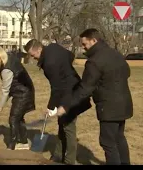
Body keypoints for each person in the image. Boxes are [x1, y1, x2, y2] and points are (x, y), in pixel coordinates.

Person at [56, 28, 133, 165]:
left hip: (109, 107)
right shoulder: (114, 53)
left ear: (94, 40)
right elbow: (127, 72)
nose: (83, 47)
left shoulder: (94, 61)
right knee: (119, 137)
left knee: (108, 142)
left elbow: (84, 89)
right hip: (124, 103)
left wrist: (66, 107)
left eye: (85, 44)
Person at [24, 39, 91, 164]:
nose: (33, 58)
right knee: (62, 123)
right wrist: (66, 70)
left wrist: (51, 106)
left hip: (71, 93)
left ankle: (69, 161)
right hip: (71, 87)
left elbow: (56, 87)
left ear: (39, 49)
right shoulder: (53, 47)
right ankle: (58, 155)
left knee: (68, 127)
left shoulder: (50, 63)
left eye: (33, 55)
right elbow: (70, 56)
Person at [0, 47, 35, 150]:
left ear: (0, 56)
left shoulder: (6, 69)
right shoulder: (9, 57)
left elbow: (6, 90)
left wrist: (0, 106)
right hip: (24, 89)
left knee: (13, 118)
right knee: (19, 118)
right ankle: (23, 143)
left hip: (23, 93)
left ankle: (12, 145)